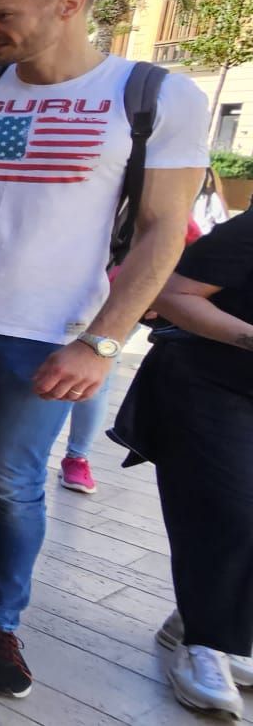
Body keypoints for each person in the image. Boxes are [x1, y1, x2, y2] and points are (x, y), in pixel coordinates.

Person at [0, 0, 209, 698]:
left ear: (68, 4)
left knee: (14, 485)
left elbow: (161, 233)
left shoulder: (152, 96)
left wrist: (103, 343)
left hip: (50, 335)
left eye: (2, 15)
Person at [111, 211, 253, 716]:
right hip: (209, 385)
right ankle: (206, 647)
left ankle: (207, 623)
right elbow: (172, 294)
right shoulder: (246, 233)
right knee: (231, 513)